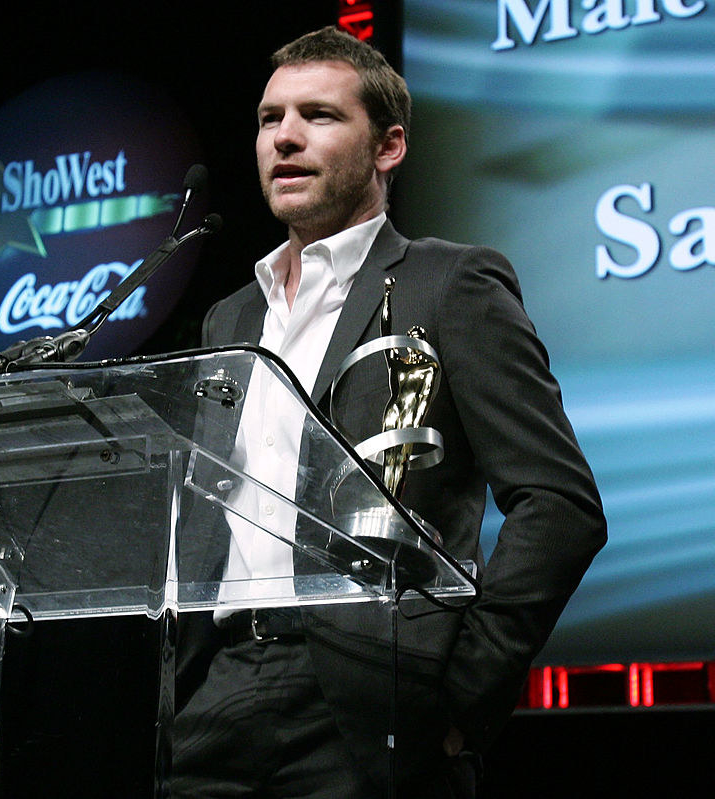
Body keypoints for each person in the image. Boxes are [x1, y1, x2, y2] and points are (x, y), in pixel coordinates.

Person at [171, 26, 606, 798]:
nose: (286, 137)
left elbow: (560, 504)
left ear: (390, 147)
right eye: (271, 119)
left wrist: (467, 694)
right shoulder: (230, 319)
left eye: (320, 115)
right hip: (218, 695)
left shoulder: (451, 284)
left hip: (373, 698)